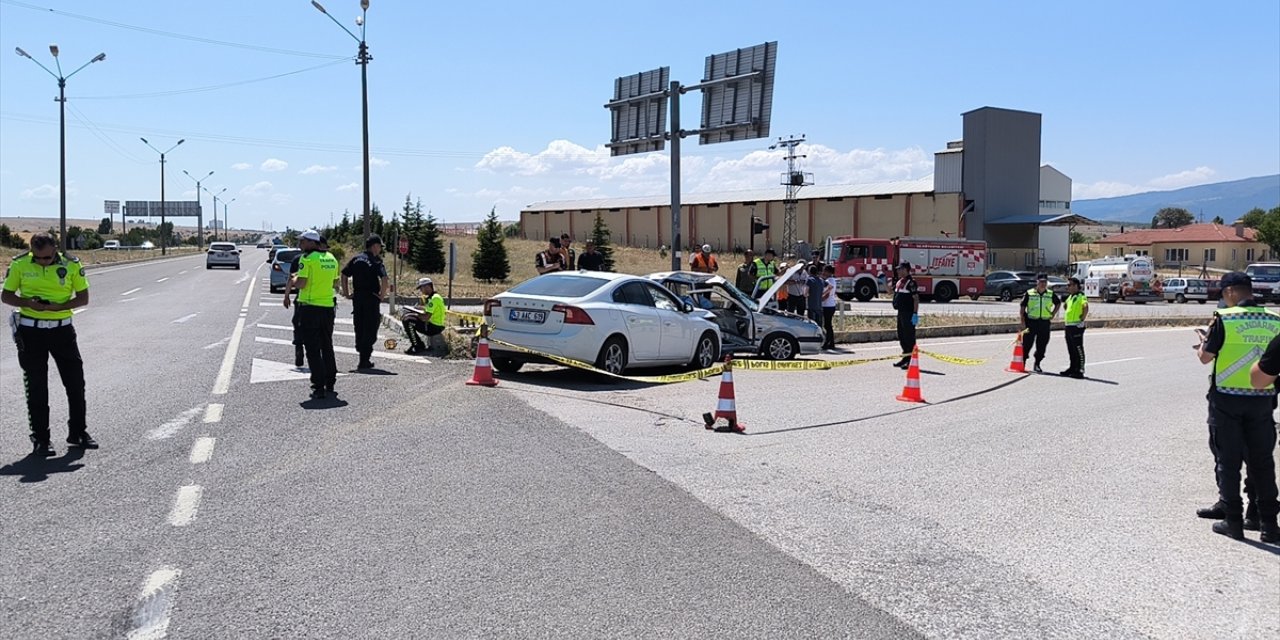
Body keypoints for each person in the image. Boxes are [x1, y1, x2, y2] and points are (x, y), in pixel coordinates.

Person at [1196, 271, 1280, 542]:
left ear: (1231, 291)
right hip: (1263, 399)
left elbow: (1205, 358)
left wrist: (1201, 344)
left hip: (1227, 399)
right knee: (1262, 462)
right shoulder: (1275, 320)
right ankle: (1268, 523)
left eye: (1223, 293)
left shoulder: (1225, 319)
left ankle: (1233, 521)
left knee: (1228, 461)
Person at [1, 233, 95, 456]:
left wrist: (55, 308)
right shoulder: (20, 264)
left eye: (47, 258)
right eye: (38, 258)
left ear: (56, 250)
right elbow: (6, 295)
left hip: (62, 330)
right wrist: (27, 302)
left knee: (75, 383)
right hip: (31, 331)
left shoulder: (71, 264)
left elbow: (83, 298)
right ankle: (41, 438)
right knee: (36, 386)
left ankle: (78, 432)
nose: (43, 261)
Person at [285, 230, 339, 400]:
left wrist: (293, 280)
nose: (300, 244)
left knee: (313, 350)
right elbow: (335, 282)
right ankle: (330, 382)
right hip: (328, 307)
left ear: (311, 242)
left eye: (302, 241)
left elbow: (301, 283)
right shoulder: (331, 258)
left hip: (310, 308)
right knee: (327, 346)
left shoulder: (307, 259)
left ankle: (318, 386)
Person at [341, 234, 388, 369]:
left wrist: (346, 293)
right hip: (371, 298)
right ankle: (364, 357)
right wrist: (382, 295)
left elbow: (344, 274)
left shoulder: (355, 259)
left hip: (358, 298)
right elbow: (384, 279)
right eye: (379, 247)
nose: (380, 250)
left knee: (359, 325)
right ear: (374, 246)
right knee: (371, 327)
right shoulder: (375, 260)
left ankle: (361, 351)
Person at [1019, 274, 1061, 373]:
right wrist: (1022, 322)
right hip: (1031, 322)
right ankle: (1023, 362)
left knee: (1042, 345)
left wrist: (1053, 313)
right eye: (1041, 282)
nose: (1043, 284)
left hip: (1044, 322)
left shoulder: (1050, 294)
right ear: (1037, 282)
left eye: (1045, 282)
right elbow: (1022, 307)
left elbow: (1058, 303)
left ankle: (1037, 363)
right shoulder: (1029, 293)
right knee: (1027, 344)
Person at [403, 277, 446, 355]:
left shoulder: (434, 299)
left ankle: (418, 346)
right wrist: (417, 309)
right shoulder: (433, 297)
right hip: (432, 324)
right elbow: (428, 309)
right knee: (407, 317)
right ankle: (417, 344)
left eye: (421, 288)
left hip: (434, 327)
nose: (420, 290)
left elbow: (425, 317)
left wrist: (415, 313)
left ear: (427, 286)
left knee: (408, 321)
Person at [891, 262, 919, 368]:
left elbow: (915, 298)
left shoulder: (911, 283)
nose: (898, 271)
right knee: (901, 336)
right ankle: (905, 358)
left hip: (908, 313)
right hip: (900, 312)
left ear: (906, 270)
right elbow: (890, 291)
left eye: (900, 269)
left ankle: (911, 361)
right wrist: (883, 280)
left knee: (909, 337)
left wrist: (915, 314)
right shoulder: (899, 282)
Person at [1059, 277, 1088, 378]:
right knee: (1071, 349)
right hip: (1069, 325)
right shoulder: (1070, 296)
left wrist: (1082, 319)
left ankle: (1080, 370)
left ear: (1076, 286)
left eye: (1069, 285)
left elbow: (1085, 306)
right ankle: (1072, 368)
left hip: (1076, 326)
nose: (1068, 287)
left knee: (1078, 348)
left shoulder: (1080, 296)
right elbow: (1066, 305)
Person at [821, 264, 839, 350]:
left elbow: (827, 295)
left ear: (828, 272)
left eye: (824, 271)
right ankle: (831, 342)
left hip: (827, 305)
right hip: (831, 305)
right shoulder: (832, 280)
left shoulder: (828, 281)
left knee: (827, 325)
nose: (823, 272)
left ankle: (828, 342)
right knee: (828, 325)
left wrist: (819, 300)